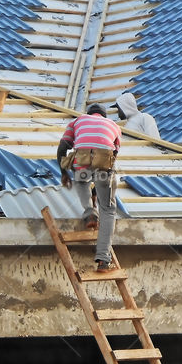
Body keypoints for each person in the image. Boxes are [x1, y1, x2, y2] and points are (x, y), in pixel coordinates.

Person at [57, 104, 122, 272]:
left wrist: (64, 173)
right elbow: (111, 158)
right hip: (103, 165)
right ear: (104, 115)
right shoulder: (114, 125)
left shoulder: (77, 121)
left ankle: (89, 212)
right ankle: (103, 260)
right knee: (107, 210)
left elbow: (62, 148)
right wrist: (98, 192)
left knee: (80, 179)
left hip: (82, 162)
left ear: (89, 114)